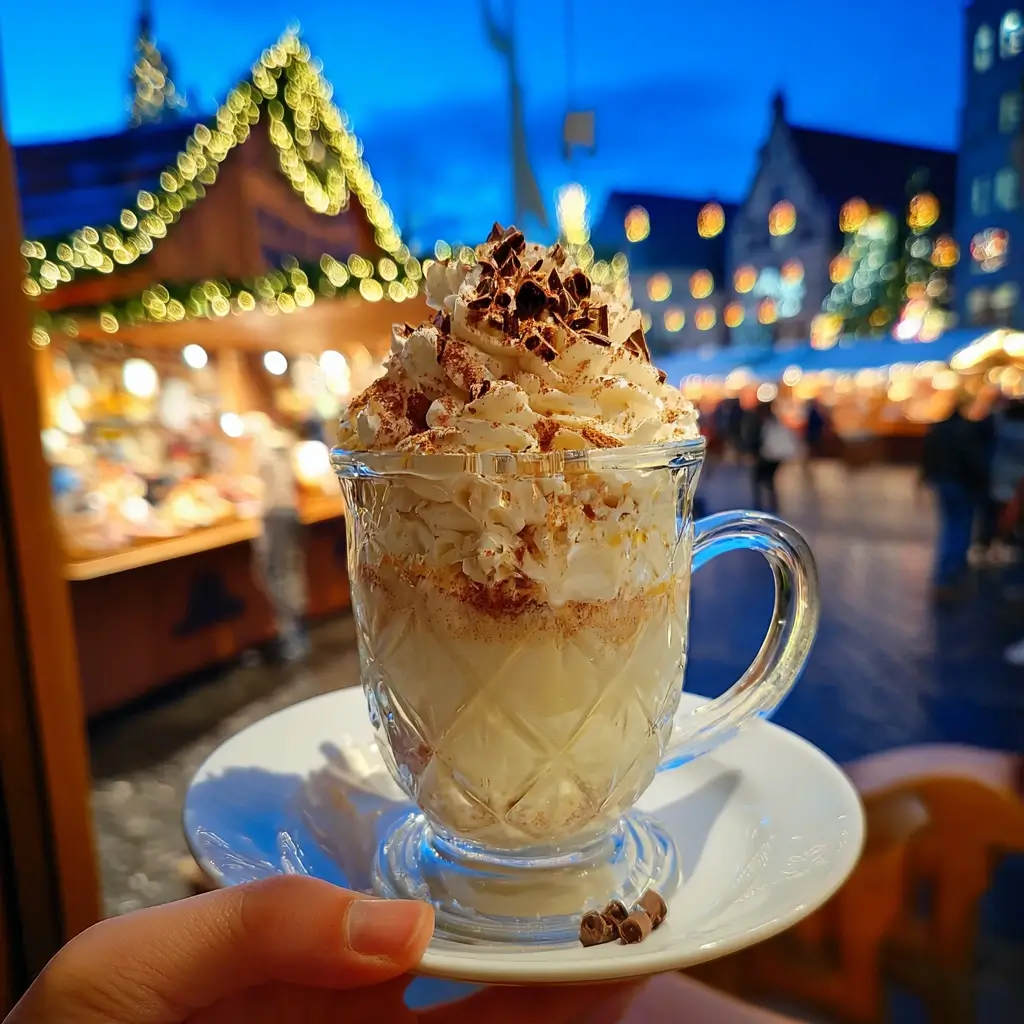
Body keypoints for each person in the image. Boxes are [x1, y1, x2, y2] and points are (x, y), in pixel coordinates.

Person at [922, 394, 990, 600]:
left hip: (944, 482)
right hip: (961, 484)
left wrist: (927, 477)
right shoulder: (966, 430)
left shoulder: (939, 428)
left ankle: (945, 575)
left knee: (950, 526)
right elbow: (973, 460)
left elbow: (929, 454)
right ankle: (951, 574)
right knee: (960, 528)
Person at [747, 402, 800, 513]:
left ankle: (760, 506)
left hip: (765, 456)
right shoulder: (774, 420)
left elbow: (755, 438)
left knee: (759, 481)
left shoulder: (760, 421)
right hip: (774, 457)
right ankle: (772, 506)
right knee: (769, 482)